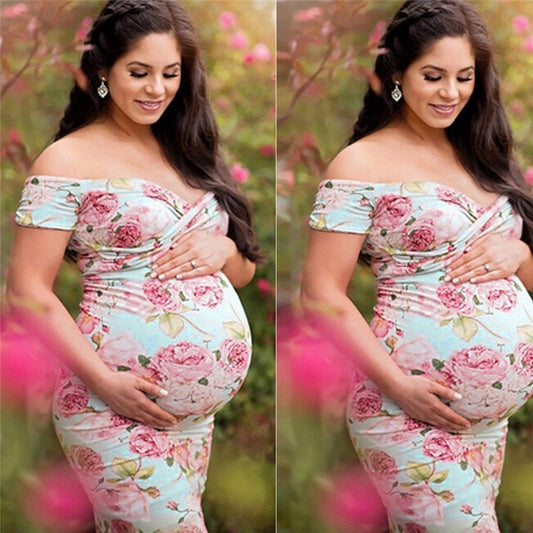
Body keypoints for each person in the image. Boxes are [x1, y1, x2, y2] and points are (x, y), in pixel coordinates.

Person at [6, 0, 262, 531]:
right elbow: (28, 290)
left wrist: (226, 251)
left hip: (191, 421)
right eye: (139, 73)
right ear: (103, 72)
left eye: (170, 73)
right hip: (111, 404)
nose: (156, 89)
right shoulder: (66, 162)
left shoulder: (188, 150)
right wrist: (105, 382)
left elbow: (243, 274)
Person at [302, 0, 533, 531]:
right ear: (397, 75)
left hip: (483, 425)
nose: (451, 93)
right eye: (433, 76)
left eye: (463, 77)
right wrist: (399, 386)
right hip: (406, 408)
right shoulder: (361, 164)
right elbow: (320, 293)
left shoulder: (484, 155)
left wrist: (520, 252)